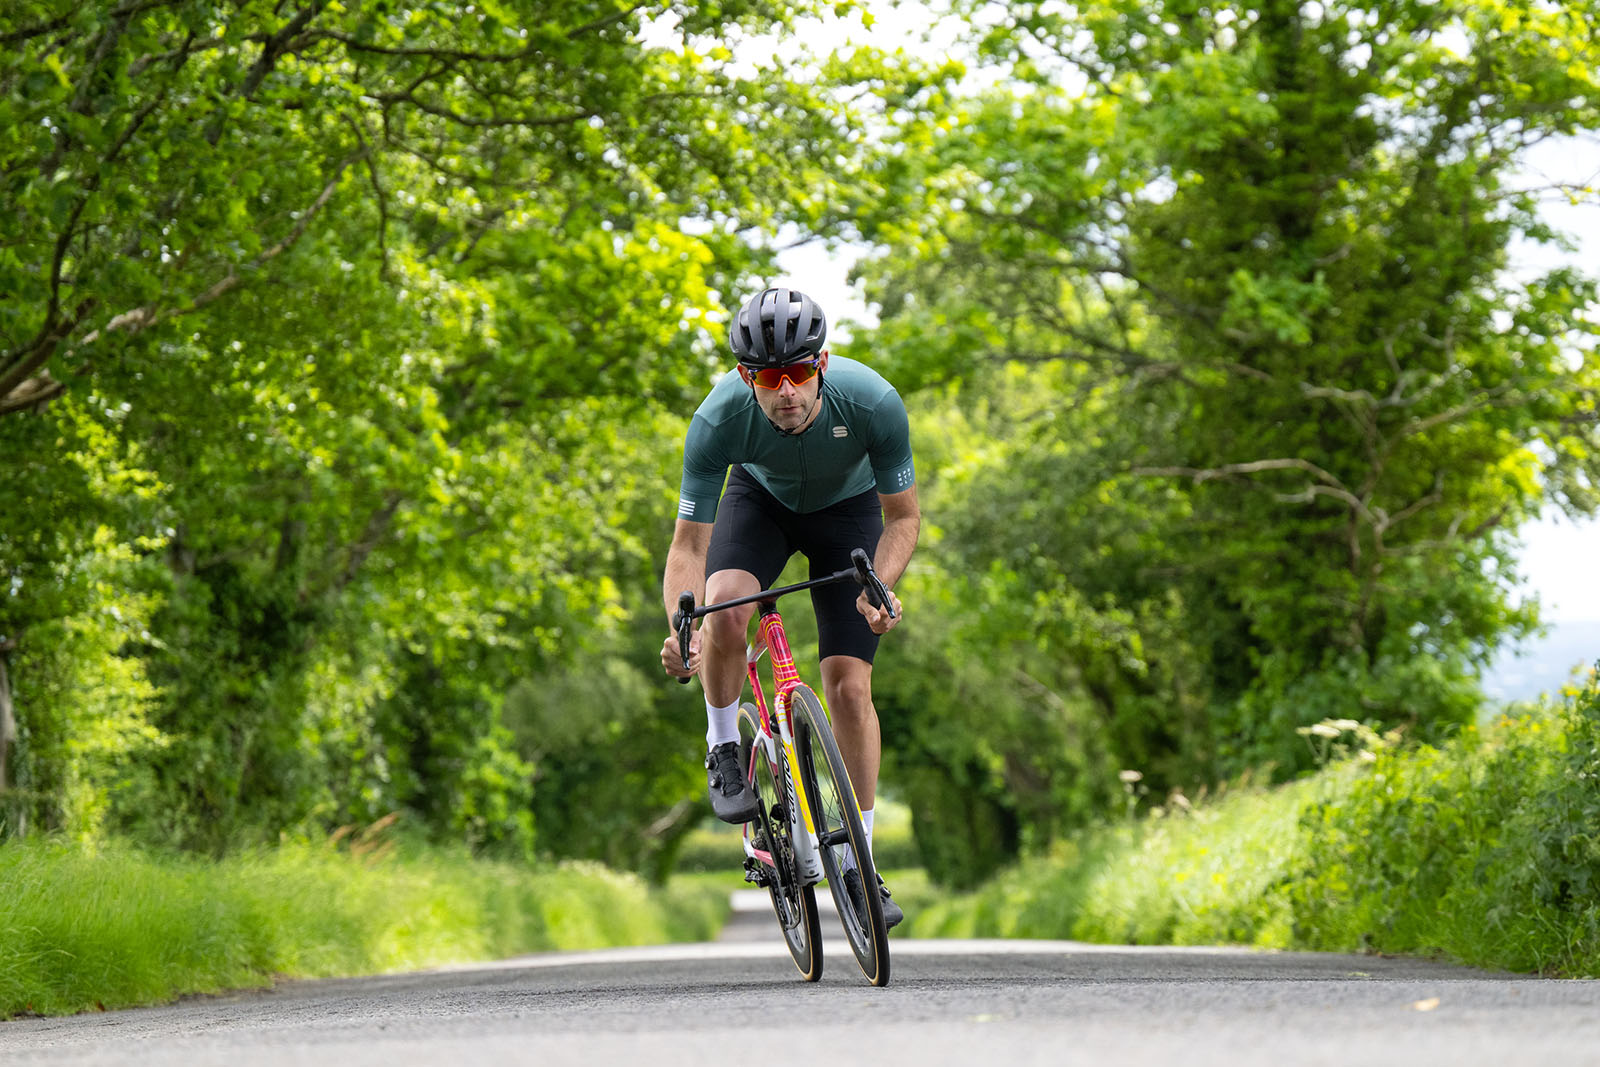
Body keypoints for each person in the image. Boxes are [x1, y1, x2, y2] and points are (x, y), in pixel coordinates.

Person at [660, 286, 920, 928]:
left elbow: (903, 518)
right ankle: (724, 744)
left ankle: (858, 862)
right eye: (768, 377)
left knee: (849, 689)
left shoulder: (874, 403)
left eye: (799, 372)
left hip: (849, 513)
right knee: (724, 607)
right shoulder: (717, 420)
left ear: (821, 363)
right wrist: (684, 632)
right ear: (745, 376)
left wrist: (880, 586)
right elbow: (688, 546)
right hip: (761, 505)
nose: (786, 391)